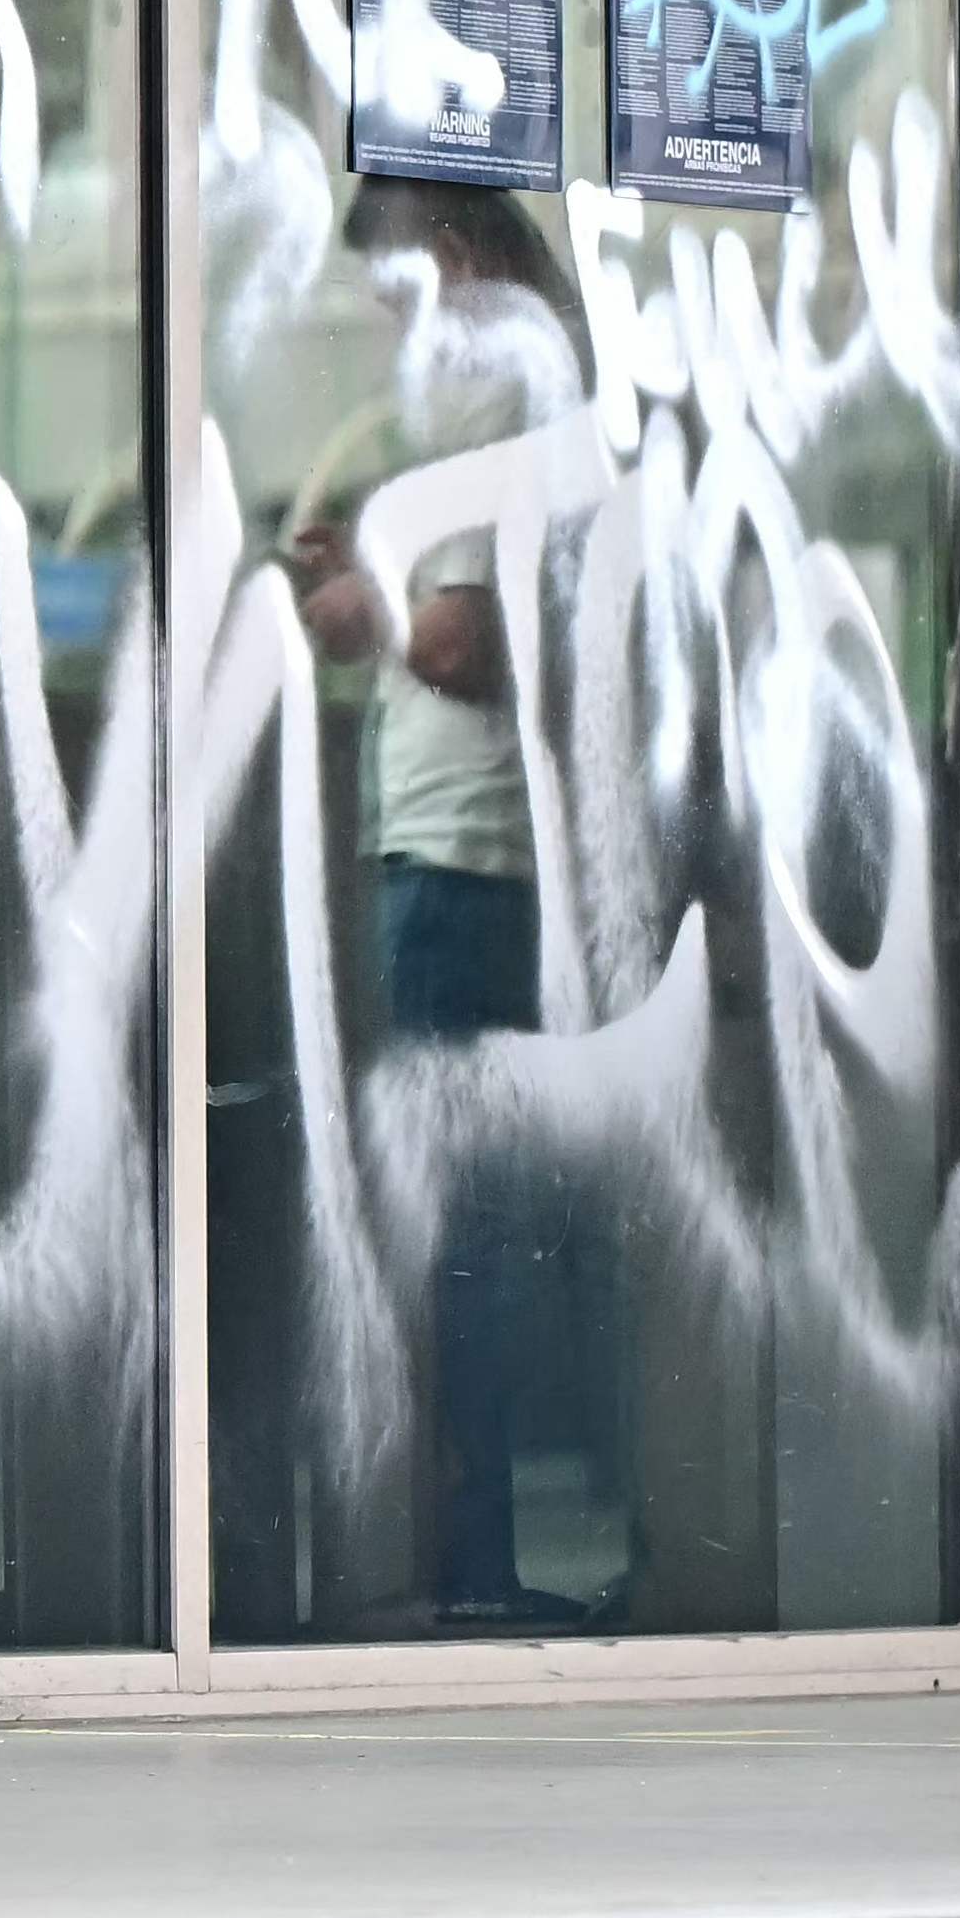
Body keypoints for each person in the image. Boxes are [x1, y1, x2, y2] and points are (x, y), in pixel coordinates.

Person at [279, 176, 607, 1629]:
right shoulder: (542, 387)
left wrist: (358, 601)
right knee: (483, 1222)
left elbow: (464, 642)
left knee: (458, 1231)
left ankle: (476, 1573)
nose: (386, 331)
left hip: (460, 860)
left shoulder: (498, 396)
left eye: (394, 290)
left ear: (455, 260)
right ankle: (493, 1562)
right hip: (483, 857)